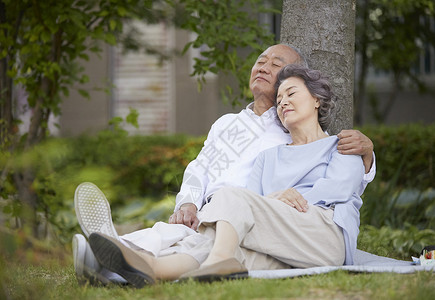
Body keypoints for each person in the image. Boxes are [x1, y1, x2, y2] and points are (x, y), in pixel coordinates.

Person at [72, 43, 376, 285]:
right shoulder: (230, 127)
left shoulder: (311, 137)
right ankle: (138, 266)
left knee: (213, 218)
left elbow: (343, 185)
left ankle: (116, 245)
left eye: (277, 66)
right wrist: (188, 203)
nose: (264, 66)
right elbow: (199, 167)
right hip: (238, 222)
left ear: (315, 98)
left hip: (268, 218)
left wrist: (368, 155)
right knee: (196, 241)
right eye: (261, 60)